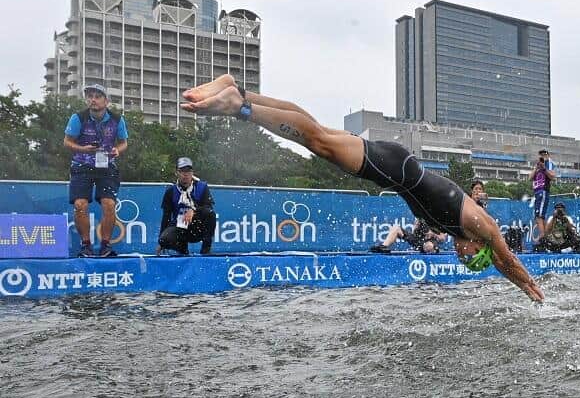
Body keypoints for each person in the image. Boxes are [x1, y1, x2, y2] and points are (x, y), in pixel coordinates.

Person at [180, 74, 543, 302]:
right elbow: (505, 258)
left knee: (315, 132)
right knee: (317, 140)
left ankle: (238, 91)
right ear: (477, 245)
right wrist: (532, 289)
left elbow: (498, 262)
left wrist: (522, 289)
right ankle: (239, 107)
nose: (462, 256)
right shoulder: (480, 225)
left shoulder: (463, 231)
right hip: (393, 169)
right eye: (469, 256)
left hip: (394, 169)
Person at [63, 83, 129, 257]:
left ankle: (105, 245)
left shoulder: (117, 119)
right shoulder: (78, 117)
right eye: (90, 96)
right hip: (81, 164)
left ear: (106, 101)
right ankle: (86, 245)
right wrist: (83, 149)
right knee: (80, 205)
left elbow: (123, 143)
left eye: (97, 96)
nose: (92, 100)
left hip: (107, 166)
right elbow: (67, 142)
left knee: (109, 204)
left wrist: (117, 150)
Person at [156, 157, 217, 256]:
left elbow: (208, 208)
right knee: (164, 240)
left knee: (210, 214)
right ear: (177, 173)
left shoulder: (202, 187)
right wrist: (161, 242)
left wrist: (194, 210)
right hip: (179, 227)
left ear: (192, 173)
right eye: (182, 171)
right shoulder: (170, 191)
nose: (185, 174)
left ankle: (206, 250)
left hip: (197, 228)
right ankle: (183, 251)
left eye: (188, 171)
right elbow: (166, 217)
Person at [370, 218, 447, 254]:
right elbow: (414, 231)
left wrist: (433, 234)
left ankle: (432, 257)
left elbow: (442, 239)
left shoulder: (439, 216)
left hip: (431, 242)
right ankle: (384, 246)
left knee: (429, 246)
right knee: (396, 228)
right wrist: (416, 226)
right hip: (417, 240)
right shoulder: (421, 213)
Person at [530, 149, 556, 239]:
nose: (542, 156)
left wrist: (544, 168)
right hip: (537, 192)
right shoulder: (537, 166)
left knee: (539, 216)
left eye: (544, 154)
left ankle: (542, 237)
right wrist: (537, 168)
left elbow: (553, 176)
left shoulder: (549, 164)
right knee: (540, 216)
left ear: (548, 155)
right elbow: (530, 177)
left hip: (543, 191)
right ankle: (545, 236)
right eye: (541, 155)